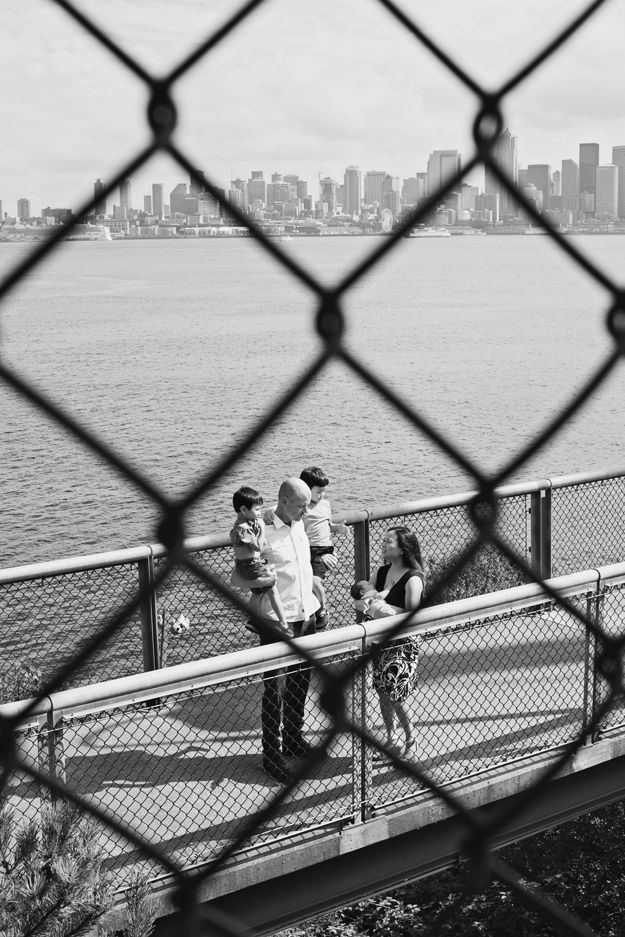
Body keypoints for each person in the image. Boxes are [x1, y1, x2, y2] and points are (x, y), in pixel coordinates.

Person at [247, 477, 321, 785]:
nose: (307, 512)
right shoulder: (262, 530)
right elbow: (245, 574)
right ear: (285, 501)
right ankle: (271, 754)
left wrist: (319, 605)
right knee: (274, 689)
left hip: (306, 614)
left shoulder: (299, 524)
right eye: (303, 506)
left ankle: (292, 737)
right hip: (278, 621)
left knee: (300, 679)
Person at [366, 526, 425, 762]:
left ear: (402, 549)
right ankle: (392, 739)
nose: (383, 544)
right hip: (381, 640)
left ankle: (411, 739)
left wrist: (383, 610)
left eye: (389, 541)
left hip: (403, 642)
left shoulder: (413, 578)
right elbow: (366, 595)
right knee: (381, 690)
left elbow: (413, 615)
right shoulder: (380, 573)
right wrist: (368, 601)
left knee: (397, 694)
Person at [229, 486, 290, 634]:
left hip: (243, 564)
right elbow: (257, 547)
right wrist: (262, 530)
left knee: (257, 593)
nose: (259, 513)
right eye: (257, 510)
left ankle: (252, 619)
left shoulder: (239, 526)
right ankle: (284, 624)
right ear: (244, 510)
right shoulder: (244, 529)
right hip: (252, 565)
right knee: (272, 589)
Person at [299, 466, 349, 629]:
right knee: (305, 582)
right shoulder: (301, 507)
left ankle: (322, 609)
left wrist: (337, 528)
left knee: (313, 580)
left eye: (324, 492)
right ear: (306, 489)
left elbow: (327, 525)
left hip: (324, 550)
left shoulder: (325, 504)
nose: (322, 496)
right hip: (307, 550)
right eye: (319, 492)